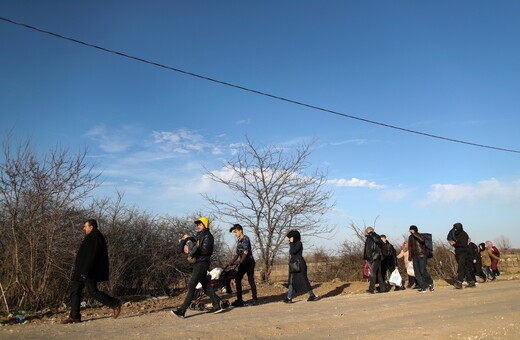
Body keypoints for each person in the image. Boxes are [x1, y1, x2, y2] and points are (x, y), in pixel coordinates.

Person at [61, 219, 121, 324]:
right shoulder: (91, 236)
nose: (84, 228)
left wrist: (85, 271)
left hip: (89, 271)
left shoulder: (96, 237)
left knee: (93, 292)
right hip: (81, 272)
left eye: (85, 226)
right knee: (74, 291)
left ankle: (115, 304)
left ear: (91, 227)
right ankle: (75, 316)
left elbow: (92, 256)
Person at [172, 217, 224, 318]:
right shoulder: (199, 235)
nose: (198, 226)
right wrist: (188, 247)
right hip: (199, 262)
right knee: (206, 286)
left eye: (200, 224)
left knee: (192, 286)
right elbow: (196, 247)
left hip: (202, 263)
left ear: (205, 225)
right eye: (197, 225)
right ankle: (217, 305)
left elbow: (204, 250)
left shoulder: (208, 236)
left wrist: (193, 251)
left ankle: (182, 311)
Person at [284, 230, 319, 302]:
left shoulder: (299, 243)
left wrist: (291, 243)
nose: (289, 239)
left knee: (303, 280)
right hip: (294, 265)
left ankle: (312, 295)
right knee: (292, 281)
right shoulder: (294, 244)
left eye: (290, 237)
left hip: (299, 265)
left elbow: (293, 252)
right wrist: (291, 243)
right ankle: (289, 298)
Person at [228, 224, 259, 306]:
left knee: (250, 280)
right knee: (238, 279)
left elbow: (245, 252)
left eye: (236, 232)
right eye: (234, 232)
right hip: (243, 262)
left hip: (249, 262)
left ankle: (255, 298)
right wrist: (231, 262)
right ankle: (239, 299)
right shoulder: (239, 240)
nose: (235, 234)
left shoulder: (245, 239)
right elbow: (238, 254)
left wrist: (240, 261)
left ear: (240, 230)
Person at [408, 225, 434, 293]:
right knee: (417, 273)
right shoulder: (410, 237)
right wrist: (410, 257)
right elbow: (410, 247)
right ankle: (422, 287)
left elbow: (422, 240)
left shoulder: (420, 235)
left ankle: (430, 282)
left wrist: (414, 234)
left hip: (422, 256)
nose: (410, 231)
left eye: (411, 230)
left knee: (422, 271)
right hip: (415, 257)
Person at [449, 223, 476, 289]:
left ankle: (459, 282)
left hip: (463, 252)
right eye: (454, 228)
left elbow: (463, 244)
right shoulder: (455, 234)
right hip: (458, 252)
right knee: (464, 267)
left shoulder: (464, 234)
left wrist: (454, 244)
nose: (455, 229)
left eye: (456, 228)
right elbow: (450, 236)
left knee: (461, 267)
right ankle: (471, 282)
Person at [363, 227, 387, 294]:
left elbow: (377, 240)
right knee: (378, 273)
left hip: (376, 257)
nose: (367, 232)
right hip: (370, 258)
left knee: (373, 273)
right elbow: (367, 249)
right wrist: (366, 257)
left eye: (368, 231)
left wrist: (371, 234)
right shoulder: (368, 238)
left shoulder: (376, 236)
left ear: (371, 230)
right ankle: (383, 288)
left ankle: (371, 289)